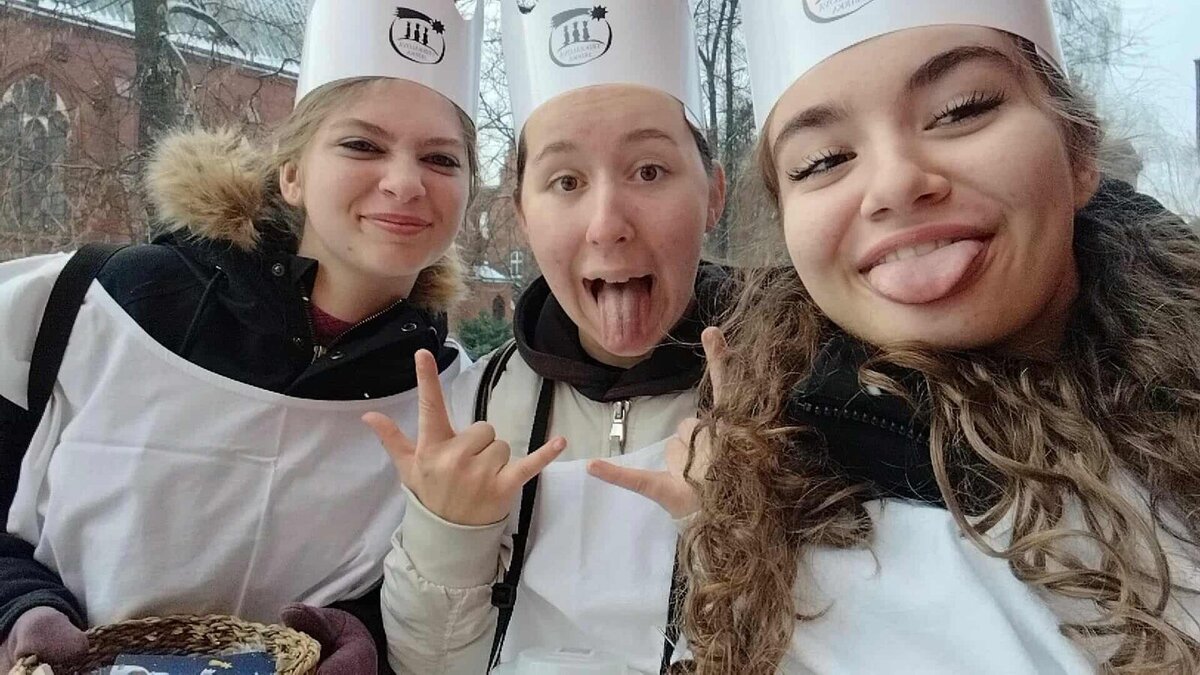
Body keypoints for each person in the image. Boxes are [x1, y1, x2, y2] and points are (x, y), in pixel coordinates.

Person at [599, 0, 1200, 672]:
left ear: (1079, 148)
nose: (895, 184)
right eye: (823, 160)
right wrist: (726, 526)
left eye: (961, 110)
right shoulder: (779, 510)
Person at [0, 0, 482, 671]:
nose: (404, 183)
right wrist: (21, 609)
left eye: (441, 158)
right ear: (293, 175)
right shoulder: (90, 303)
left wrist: (362, 638)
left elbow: (427, 594)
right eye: (362, 145)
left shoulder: (459, 397)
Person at [369, 1, 727, 672]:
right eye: (565, 181)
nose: (606, 224)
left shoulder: (797, 394)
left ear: (714, 193)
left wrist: (745, 533)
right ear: (524, 217)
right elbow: (429, 664)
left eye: (649, 171)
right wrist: (449, 533)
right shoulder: (477, 406)